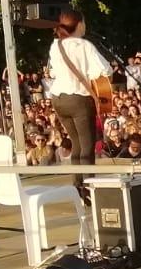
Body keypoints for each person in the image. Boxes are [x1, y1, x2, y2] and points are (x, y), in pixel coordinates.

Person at [47, 10, 112, 193]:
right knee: (87, 145)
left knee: (76, 142)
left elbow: (53, 72)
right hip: (78, 98)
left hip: (58, 99)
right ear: (79, 24)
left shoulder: (56, 45)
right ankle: (89, 188)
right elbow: (104, 70)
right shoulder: (84, 46)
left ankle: (78, 186)